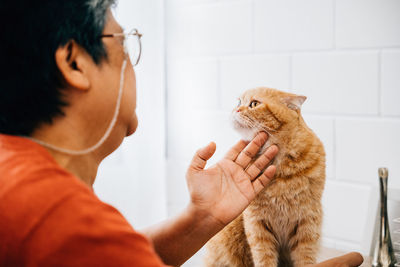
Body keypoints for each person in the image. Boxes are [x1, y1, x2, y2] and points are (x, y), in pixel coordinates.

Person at [0, 0, 364, 266]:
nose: (134, 64)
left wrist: (201, 218)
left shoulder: (16, 180)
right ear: (75, 62)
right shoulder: (60, 217)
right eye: (125, 44)